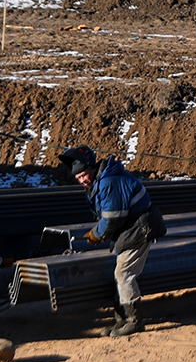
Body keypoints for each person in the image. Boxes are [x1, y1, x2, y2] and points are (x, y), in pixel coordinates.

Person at [58, 145, 165, 338]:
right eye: (78, 178)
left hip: (138, 228)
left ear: (91, 167)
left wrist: (97, 234)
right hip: (131, 228)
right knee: (120, 274)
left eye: (83, 175)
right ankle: (121, 320)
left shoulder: (108, 182)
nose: (82, 180)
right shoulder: (103, 180)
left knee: (124, 273)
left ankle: (134, 322)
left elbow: (113, 217)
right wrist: (100, 233)